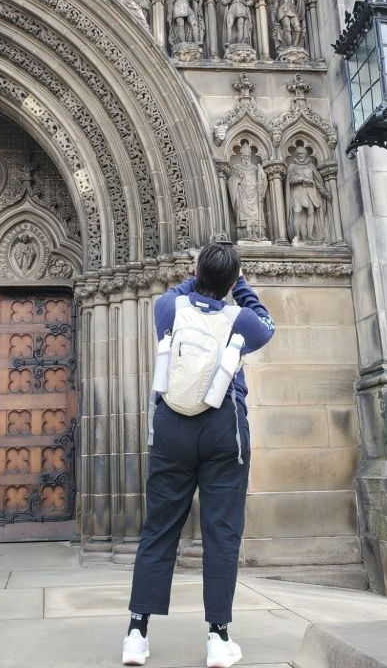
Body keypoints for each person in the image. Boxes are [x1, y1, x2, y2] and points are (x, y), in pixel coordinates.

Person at [123, 242, 275, 668]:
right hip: (223, 427)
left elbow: (180, 291)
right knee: (221, 531)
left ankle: (136, 634)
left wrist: (198, 275)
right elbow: (266, 321)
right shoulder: (242, 319)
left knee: (159, 528)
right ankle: (218, 638)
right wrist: (239, 284)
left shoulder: (168, 307)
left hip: (172, 426)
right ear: (231, 280)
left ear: (196, 273)